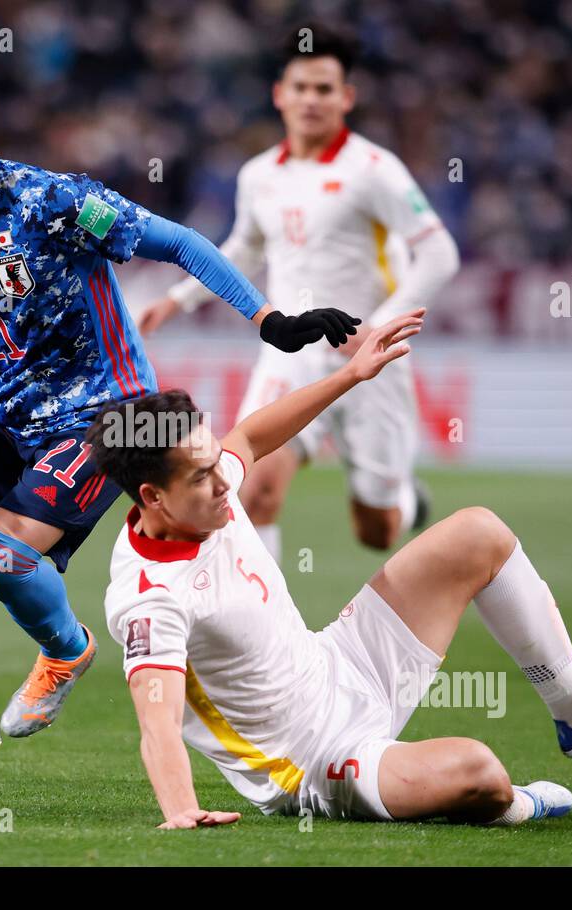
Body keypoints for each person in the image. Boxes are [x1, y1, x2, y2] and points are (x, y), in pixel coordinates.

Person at [0, 48, 363, 785]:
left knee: (2, 554)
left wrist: (267, 317)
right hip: (6, 419)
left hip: (113, 415)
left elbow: (177, 242)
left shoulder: (52, 201)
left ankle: (67, 648)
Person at [89, 308, 572, 829]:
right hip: (317, 760)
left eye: (216, 460)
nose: (226, 479)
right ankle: (515, 805)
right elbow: (157, 718)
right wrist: (181, 811)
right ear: (153, 498)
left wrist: (349, 375)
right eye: (202, 476)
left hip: (341, 661)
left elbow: (249, 435)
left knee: (479, 533)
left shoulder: (207, 485)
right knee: (480, 771)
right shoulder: (150, 597)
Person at [137, 25, 460, 560]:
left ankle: (407, 501)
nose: (312, 99)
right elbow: (240, 249)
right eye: (301, 87)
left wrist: (376, 328)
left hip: (370, 359)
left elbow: (439, 253)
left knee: (375, 530)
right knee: (250, 489)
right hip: (292, 354)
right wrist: (177, 298)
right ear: (279, 95)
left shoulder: (374, 170)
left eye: (325, 89)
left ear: (347, 98)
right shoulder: (258, 175)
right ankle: (267, 637)